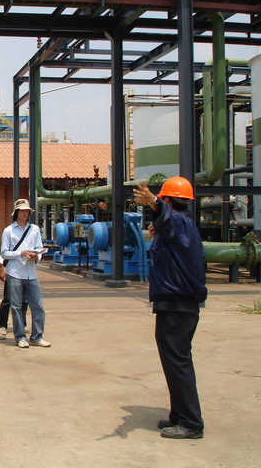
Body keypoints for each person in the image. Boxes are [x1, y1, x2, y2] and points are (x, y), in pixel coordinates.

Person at [133, 177, 207, 440]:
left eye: (162, 199)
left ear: (166, 199)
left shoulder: (179, 223)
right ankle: (179, 415)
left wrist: (153, 202)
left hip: (177, 304)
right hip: (177, 303)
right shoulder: (181, 229)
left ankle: (191, 422)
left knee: (178, 363)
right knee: (175, 361)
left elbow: (169, 218)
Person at [0, 199, 50, 349]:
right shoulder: (8, 231)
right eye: (21, 210)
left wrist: (36, 257)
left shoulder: (34, 229)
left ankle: (37, 337)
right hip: (15, 273)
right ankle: (20, 337)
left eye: (26, 211)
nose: (24, 213)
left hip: (31, 273)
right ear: (16, 213)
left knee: (38, 306)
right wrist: (20, 253)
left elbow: (39, 248)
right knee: (16, 307)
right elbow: (4, 253)